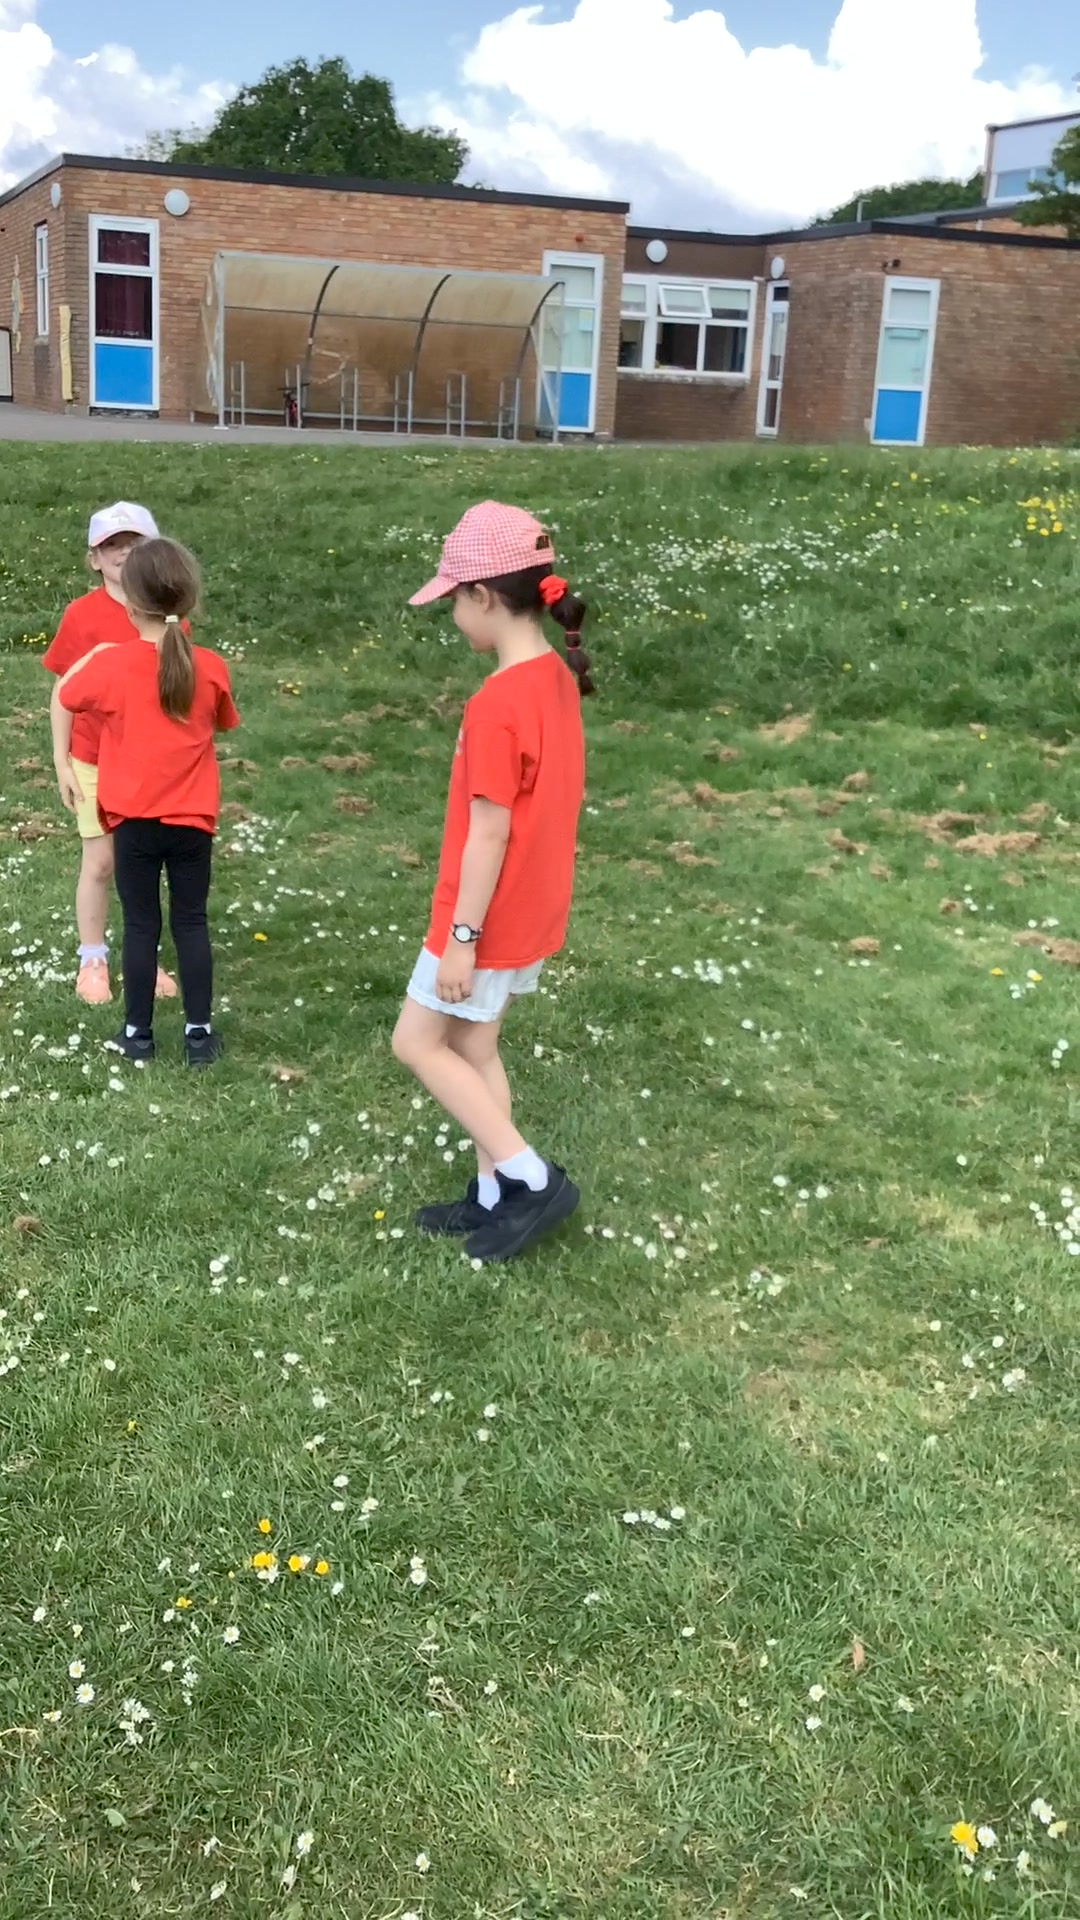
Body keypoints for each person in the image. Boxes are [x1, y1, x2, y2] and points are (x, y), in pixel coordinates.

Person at [392, 500, 594, 1265]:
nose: (451, 617)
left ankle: (531, 1178)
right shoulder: (553, 676)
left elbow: (490, 831)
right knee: (474, 1044)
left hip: (487, 915)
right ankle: (491, 1196)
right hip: (534, 903)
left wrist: (461, 940)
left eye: (452, 600)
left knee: (416, 1040)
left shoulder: (498, 702)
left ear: (482, 596)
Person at [52, 539, 239, 1068]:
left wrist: (95, 656)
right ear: (189, 600)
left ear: (129, 605)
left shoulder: (111, 668)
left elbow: (66, 694)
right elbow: (221, 721)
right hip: (192, 821)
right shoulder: (211, 668)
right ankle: (199, 1036)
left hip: (132, 819)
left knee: (140, 924)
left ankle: (137, 1035)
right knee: (191, 922)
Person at [45, 501, 180, 1007]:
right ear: (95, 559)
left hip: (148, 766)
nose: (124, 553)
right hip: (93, 760)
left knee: (143, 864)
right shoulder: (82, 616)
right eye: (112, 546)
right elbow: (64, 689)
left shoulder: (171, 617)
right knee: (101, 863)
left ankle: (144, 956)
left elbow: (176, 692)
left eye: (135, 544)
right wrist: (61, 760)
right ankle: (93, 956)